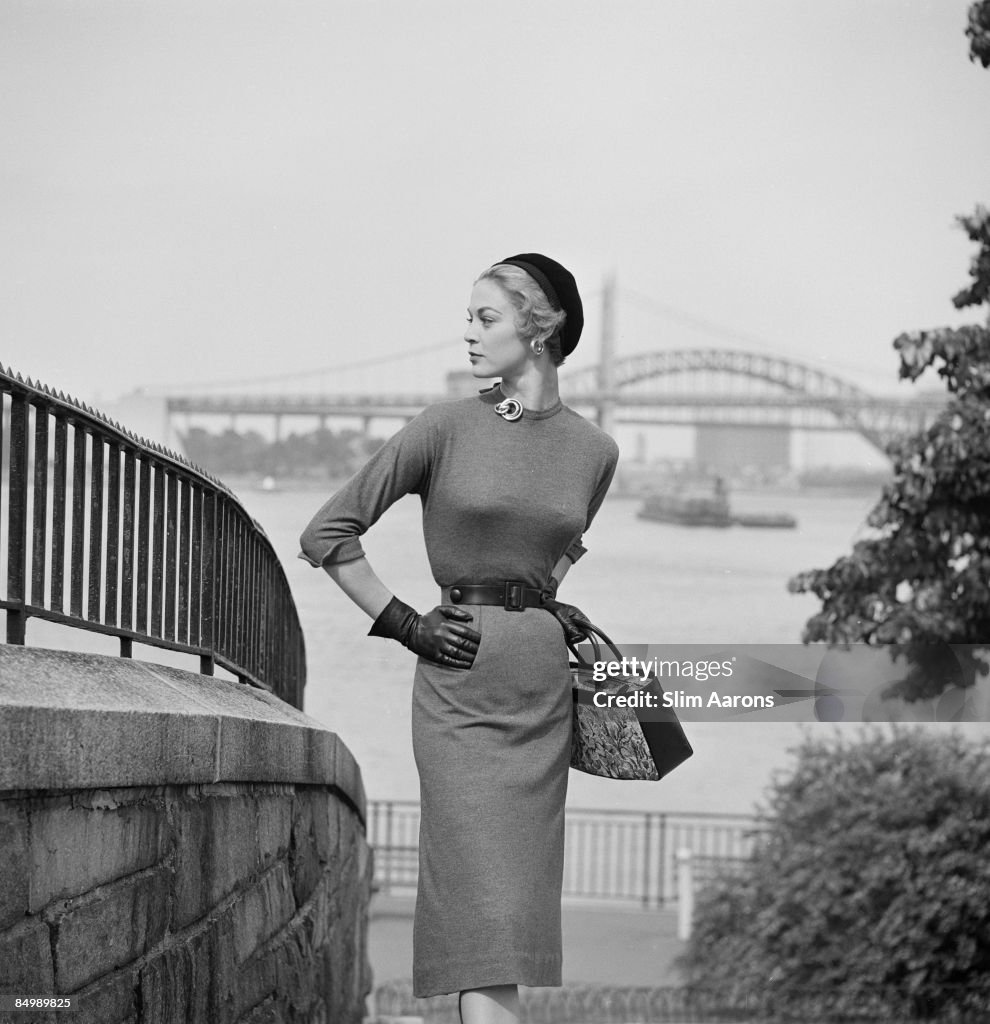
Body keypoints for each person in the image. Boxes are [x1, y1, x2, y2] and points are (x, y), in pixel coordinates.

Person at [299, 253, 619, 1024]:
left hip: (541, 695)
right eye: (467, 319)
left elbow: (562, 547)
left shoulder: (595, 451)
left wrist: (545, 605)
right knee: (482, 919)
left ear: (540, 330)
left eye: (485, 318)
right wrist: (409, 625)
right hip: (460, 693)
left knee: (512, 921)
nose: (467, 336)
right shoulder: (446, 426)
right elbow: (327, 533)